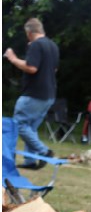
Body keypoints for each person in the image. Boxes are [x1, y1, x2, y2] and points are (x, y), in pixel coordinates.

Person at [4, 17, 59, 169]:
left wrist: (12, 58)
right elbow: (54, 70)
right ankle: (30, 161)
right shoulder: (52, 46)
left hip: (33, 94)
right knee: (31, 127)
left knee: (19, 124)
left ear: (29, 32)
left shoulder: (36, 45)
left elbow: (31, 68)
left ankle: (44, 152)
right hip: (49, 95)